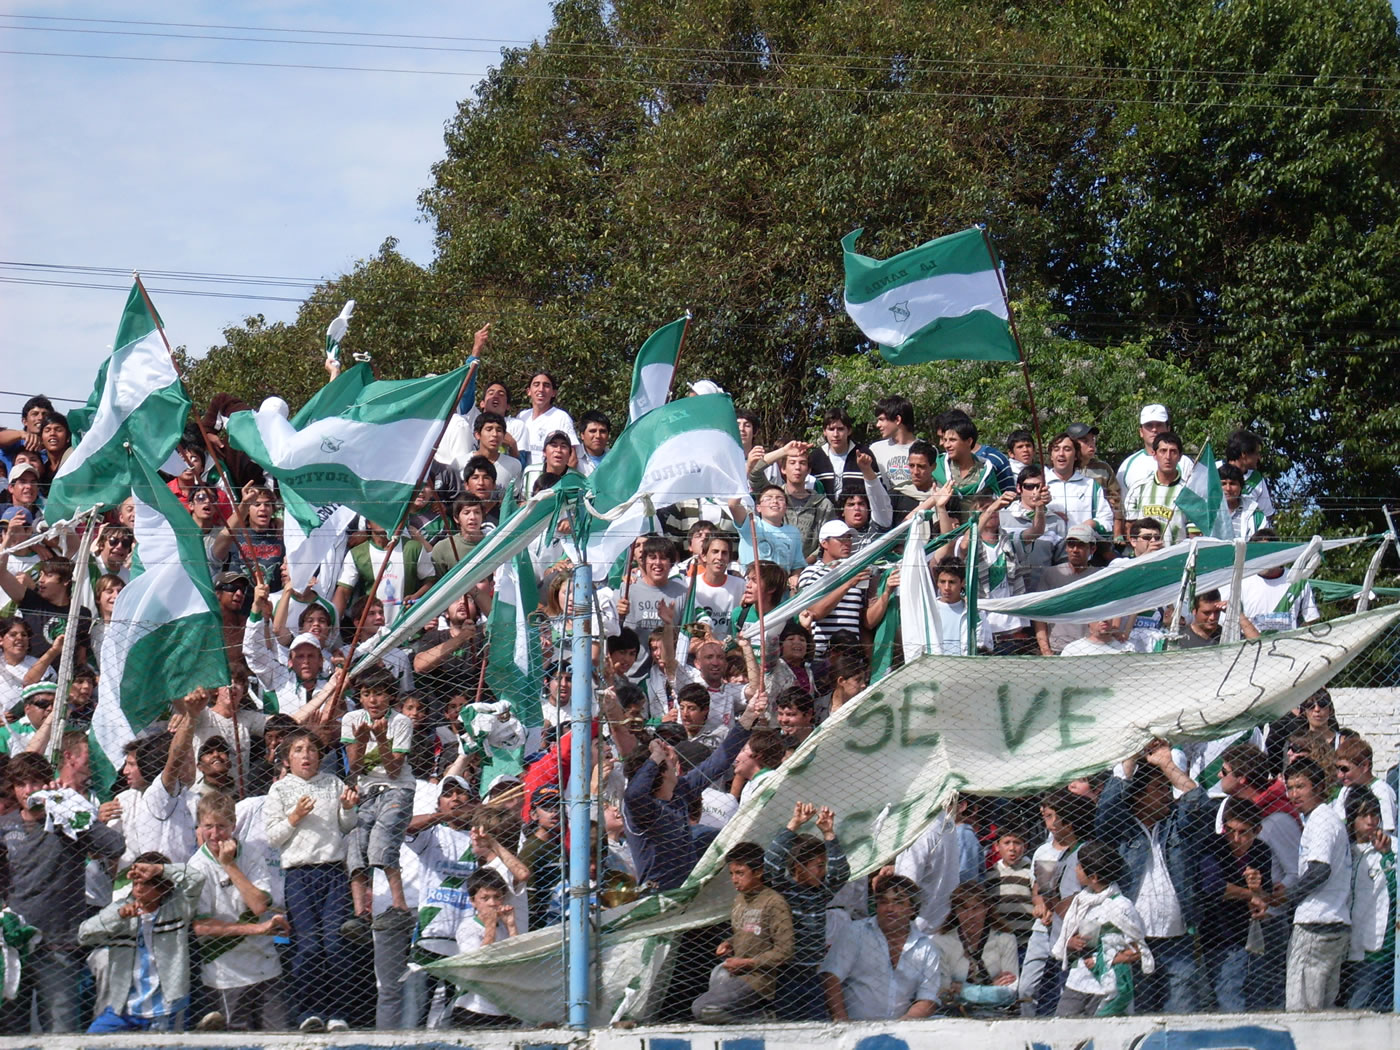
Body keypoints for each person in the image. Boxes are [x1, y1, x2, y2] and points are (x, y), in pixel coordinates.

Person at [0, 751, 126, 1033]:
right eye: (21, 784)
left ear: (48, 783)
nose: (29, 790)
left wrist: (73, 809)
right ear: (13, 788)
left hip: (59, 945)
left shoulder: (67, 820)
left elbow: (115, 847)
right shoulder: (5, 828)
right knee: (8, 1033)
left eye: (35, 782)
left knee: (62, 1033)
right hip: (13, 946)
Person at [1094, 740, 1209, 1013]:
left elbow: (1199, 804)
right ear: (1138, 796)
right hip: (1134, 944)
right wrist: (1131, 756)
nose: (1167, 796)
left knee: (1182, 1017)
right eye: (1158, 790)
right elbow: (1107, 809)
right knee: (1140, 1017)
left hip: (1177, 941)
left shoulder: (1176, 829)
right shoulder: (1122, 832)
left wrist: (1168, 765)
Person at [264, 727, 359, 1032]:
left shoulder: (332, 783)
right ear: (287, 759)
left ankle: (339, 1012)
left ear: (320, 756)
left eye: (312, 750)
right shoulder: (280, 790)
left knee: (335, 944)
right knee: (308, 946)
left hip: (332, 874)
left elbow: (347, 826)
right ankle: (308, 1011)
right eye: (298, 750)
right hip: (299, 876)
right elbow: (273, 837)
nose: (306, 755)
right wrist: (294, 817)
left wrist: (347, 807)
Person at [188, 791, 289, 1031]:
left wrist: (229, 864)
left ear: (233, 825)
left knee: (280, 1040)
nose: (214, 834)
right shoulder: (196, 867)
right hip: (224, 974)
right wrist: (258, 928)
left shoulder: (252, 854)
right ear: (199, 827)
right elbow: (202, 927)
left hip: (266, 967)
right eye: (208, 826)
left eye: (221, 826)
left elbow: (258, 905)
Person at [79, 852, 204, 1033]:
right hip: (123, 1007)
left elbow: (196, 878)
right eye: (135, 881)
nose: (138, 887)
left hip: (166, 1006)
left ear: (162, 887)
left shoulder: (177, 908)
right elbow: (84, 934)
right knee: (93, 1040)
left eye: (146, 883)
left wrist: (160, 869)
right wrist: (118, 917)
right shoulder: (121, 909)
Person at [340, 668, 416, 939]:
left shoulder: (401, 722)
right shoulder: (352, 718)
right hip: (367, 790)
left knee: (382, 842)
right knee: (356, 845)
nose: (373, 700)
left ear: (391, 696)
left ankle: (400, 906)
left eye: (379, 693)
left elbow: (395, 770)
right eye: (366, 694)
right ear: (359, 697)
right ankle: (361, 913)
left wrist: (381, 739)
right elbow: (356, 767)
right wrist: (360, 742)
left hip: (397, 789)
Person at [762, 802, 850, 1020]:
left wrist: (829, 834)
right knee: (786, 1025)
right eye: (818, 865)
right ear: (798, 867)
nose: (823, 871)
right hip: (785, 974)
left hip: (811, 974)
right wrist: (794, 825)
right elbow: (770, 863)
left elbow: (841, 873)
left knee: (816, 1023)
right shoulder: (782, 892)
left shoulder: (820, 893)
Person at [691, 841, 794, 1023]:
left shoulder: (774, 902)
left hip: (759, 978)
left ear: (758, 872)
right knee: (718, 973)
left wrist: (748, 962)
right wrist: (729, 943)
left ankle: (761, 1019)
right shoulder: (739, 899)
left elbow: (785, 951)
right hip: (737, 973)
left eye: (740, 873)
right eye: (732, 874)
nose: (734, 879)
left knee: (702, 1009)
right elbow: (748, 931)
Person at [1199, 798, 1285, 1013]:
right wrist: (1250, 894)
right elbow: (1213, 886)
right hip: (1219, 934)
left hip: (1251, 935)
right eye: (1230, 830)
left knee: (1256, 995)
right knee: (1229, 994)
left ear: (1257, 830)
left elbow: (1262, 895)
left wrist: (1256, 891)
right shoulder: (1213, 846)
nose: (1235, 839)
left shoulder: (1260, 850)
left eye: (1243, 832)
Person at [1282, 756, 1353, 1011]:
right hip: (1334, 921)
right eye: (1290, 787)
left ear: (1319, 786)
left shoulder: (1322, 820)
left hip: (1315, 923)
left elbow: (1320, 869)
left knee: (1302, 1006)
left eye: (1301, 786)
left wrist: (1287, 897)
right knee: (1323, 1006)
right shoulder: (1322, 819)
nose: (1294, 794)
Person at [820, 874, 942, 1021]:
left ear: (912, 909)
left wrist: (902, 1026)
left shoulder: (926, 947)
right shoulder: (855, 932)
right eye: (883, 902)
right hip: (855, 1026)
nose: (890, 908)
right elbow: (831, 977)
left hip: (903, 1029)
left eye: (898, 902)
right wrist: (842, 1021)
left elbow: (928, 998)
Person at [1051, 840, 1150, 1017]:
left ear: (1094, 877)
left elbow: (1138, 950)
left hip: (1106, 985)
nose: (1076, 870)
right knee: (1063, 1026)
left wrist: (1107, 960)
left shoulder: (1122, 907)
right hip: (1077, 980)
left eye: (1080, 867)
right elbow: (1069, 934)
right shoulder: (1081, 901)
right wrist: (1071, 942)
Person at [1342, 788, 1395, 1011]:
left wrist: (1387, 855)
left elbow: (1395, 886)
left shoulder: (1392, 847)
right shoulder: (1345, 849)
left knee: (1362, 1002)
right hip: (1345, 937)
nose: (1371, 821)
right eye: (1364, 815)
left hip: (1377, 939)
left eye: (1375, 814)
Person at [932, 881, 1020, 1015]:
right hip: (952, 1014)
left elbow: (1009, 993)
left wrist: (963, 990)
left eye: (976, 908)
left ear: (986, 908)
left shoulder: (1005, 939)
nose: (970, 915)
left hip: (996, 1013)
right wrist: (991, 989)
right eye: (964, 909)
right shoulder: (941, 942)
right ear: (955, 911)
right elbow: (944, 994)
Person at [450, 868, 520, 1026]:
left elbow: (517, 958)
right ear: (473, 901)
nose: (492, 903)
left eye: (497, 897)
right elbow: (478, 962)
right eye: (485, 898)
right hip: (473, 1009)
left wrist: (511, 927)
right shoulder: (468, 927)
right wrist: (489, 928)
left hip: (501, 1007)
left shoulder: (501, 928)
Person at [1042, 431, 1114, 542]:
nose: (1061, 453)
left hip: (1081, 552)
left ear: (1076, 455)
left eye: (1067, 449)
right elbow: (1021, 515)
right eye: (1056, 449)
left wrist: (1091, 524)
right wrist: (1046, 514)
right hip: (1045, 552)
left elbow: (1107, 523)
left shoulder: (1091, 486)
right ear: (1051, 456)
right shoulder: (1039, 484)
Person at [1116, 404, 1195, 498]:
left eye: (1159, 425)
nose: (1154, 429)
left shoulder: (1184, 463)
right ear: (1141, 432)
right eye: (1149, 425)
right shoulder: (1128, 465)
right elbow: (1120, 504)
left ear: (1168, 429)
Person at [1123, 431, 1189, 537]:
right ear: (1154, 454)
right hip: (1145, 553)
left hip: (1177, 552)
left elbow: (1194, 534)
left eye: (1173, 452)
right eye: (1163, 451)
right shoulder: (1138, 489)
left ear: (1180, 456)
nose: (1168, 456)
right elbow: (1130, 528)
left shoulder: (1188, 492)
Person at [732, 486, 806, 577]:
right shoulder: (752, 524)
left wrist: (795, 576)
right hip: (753, 586)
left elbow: (797, 565)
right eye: (768, 498)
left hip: (781, 589)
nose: (775, 501)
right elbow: (733, 505)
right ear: (758, 507)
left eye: (780, 499)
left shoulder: (793, 532)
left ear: (786, 507)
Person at [1332, 736, 1397, 835]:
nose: (1339, 775)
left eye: (1345, 769)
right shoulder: (1345, 790)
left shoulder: (1382, 791)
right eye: (1337, 769)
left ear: (1364, 766)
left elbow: (1387, 830)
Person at [514, 371, 578, 465]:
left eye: (546, 385)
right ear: (528, 391)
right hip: (523, 477)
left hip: (549, 478)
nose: (541, 389)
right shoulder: (522, 417)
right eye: (536, 385)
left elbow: (572, 458)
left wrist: (560, 479)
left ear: (553, 393)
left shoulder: (561, 417)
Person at [869, 395, 917, 489]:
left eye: (882, 419)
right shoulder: (875, 449)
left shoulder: (927, 450)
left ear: (898, 419)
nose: (878, 425)